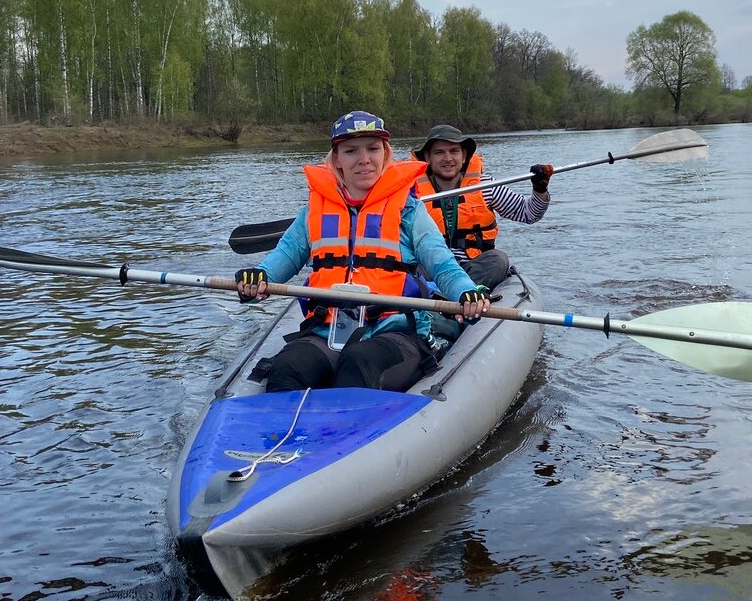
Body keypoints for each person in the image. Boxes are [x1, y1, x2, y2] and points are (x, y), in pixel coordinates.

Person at [235, 110, 490, 393]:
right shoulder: (314, 211)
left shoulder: (409, 210)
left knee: (358, 363)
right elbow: (285, 255)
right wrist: (259, 275)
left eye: (372, 149)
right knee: (288, 369)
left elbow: (443, 266)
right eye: (351, 151)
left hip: (394, 330)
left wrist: (467, 291)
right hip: (326, 330)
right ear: (336, 159)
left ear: (385, 154)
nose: (364, 160)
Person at [414, 124, 552, 289]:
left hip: (474, 267)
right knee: (409, 265)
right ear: (428, 158)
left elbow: (528, 214)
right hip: (432, 267)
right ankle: (443, 295)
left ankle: (465, 293)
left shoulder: (485, 185)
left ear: (464, 156)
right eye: (439, 152)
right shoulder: (412, 193)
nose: (448, 158)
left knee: (498, 260)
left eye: (454, 151)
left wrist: (540, 188)